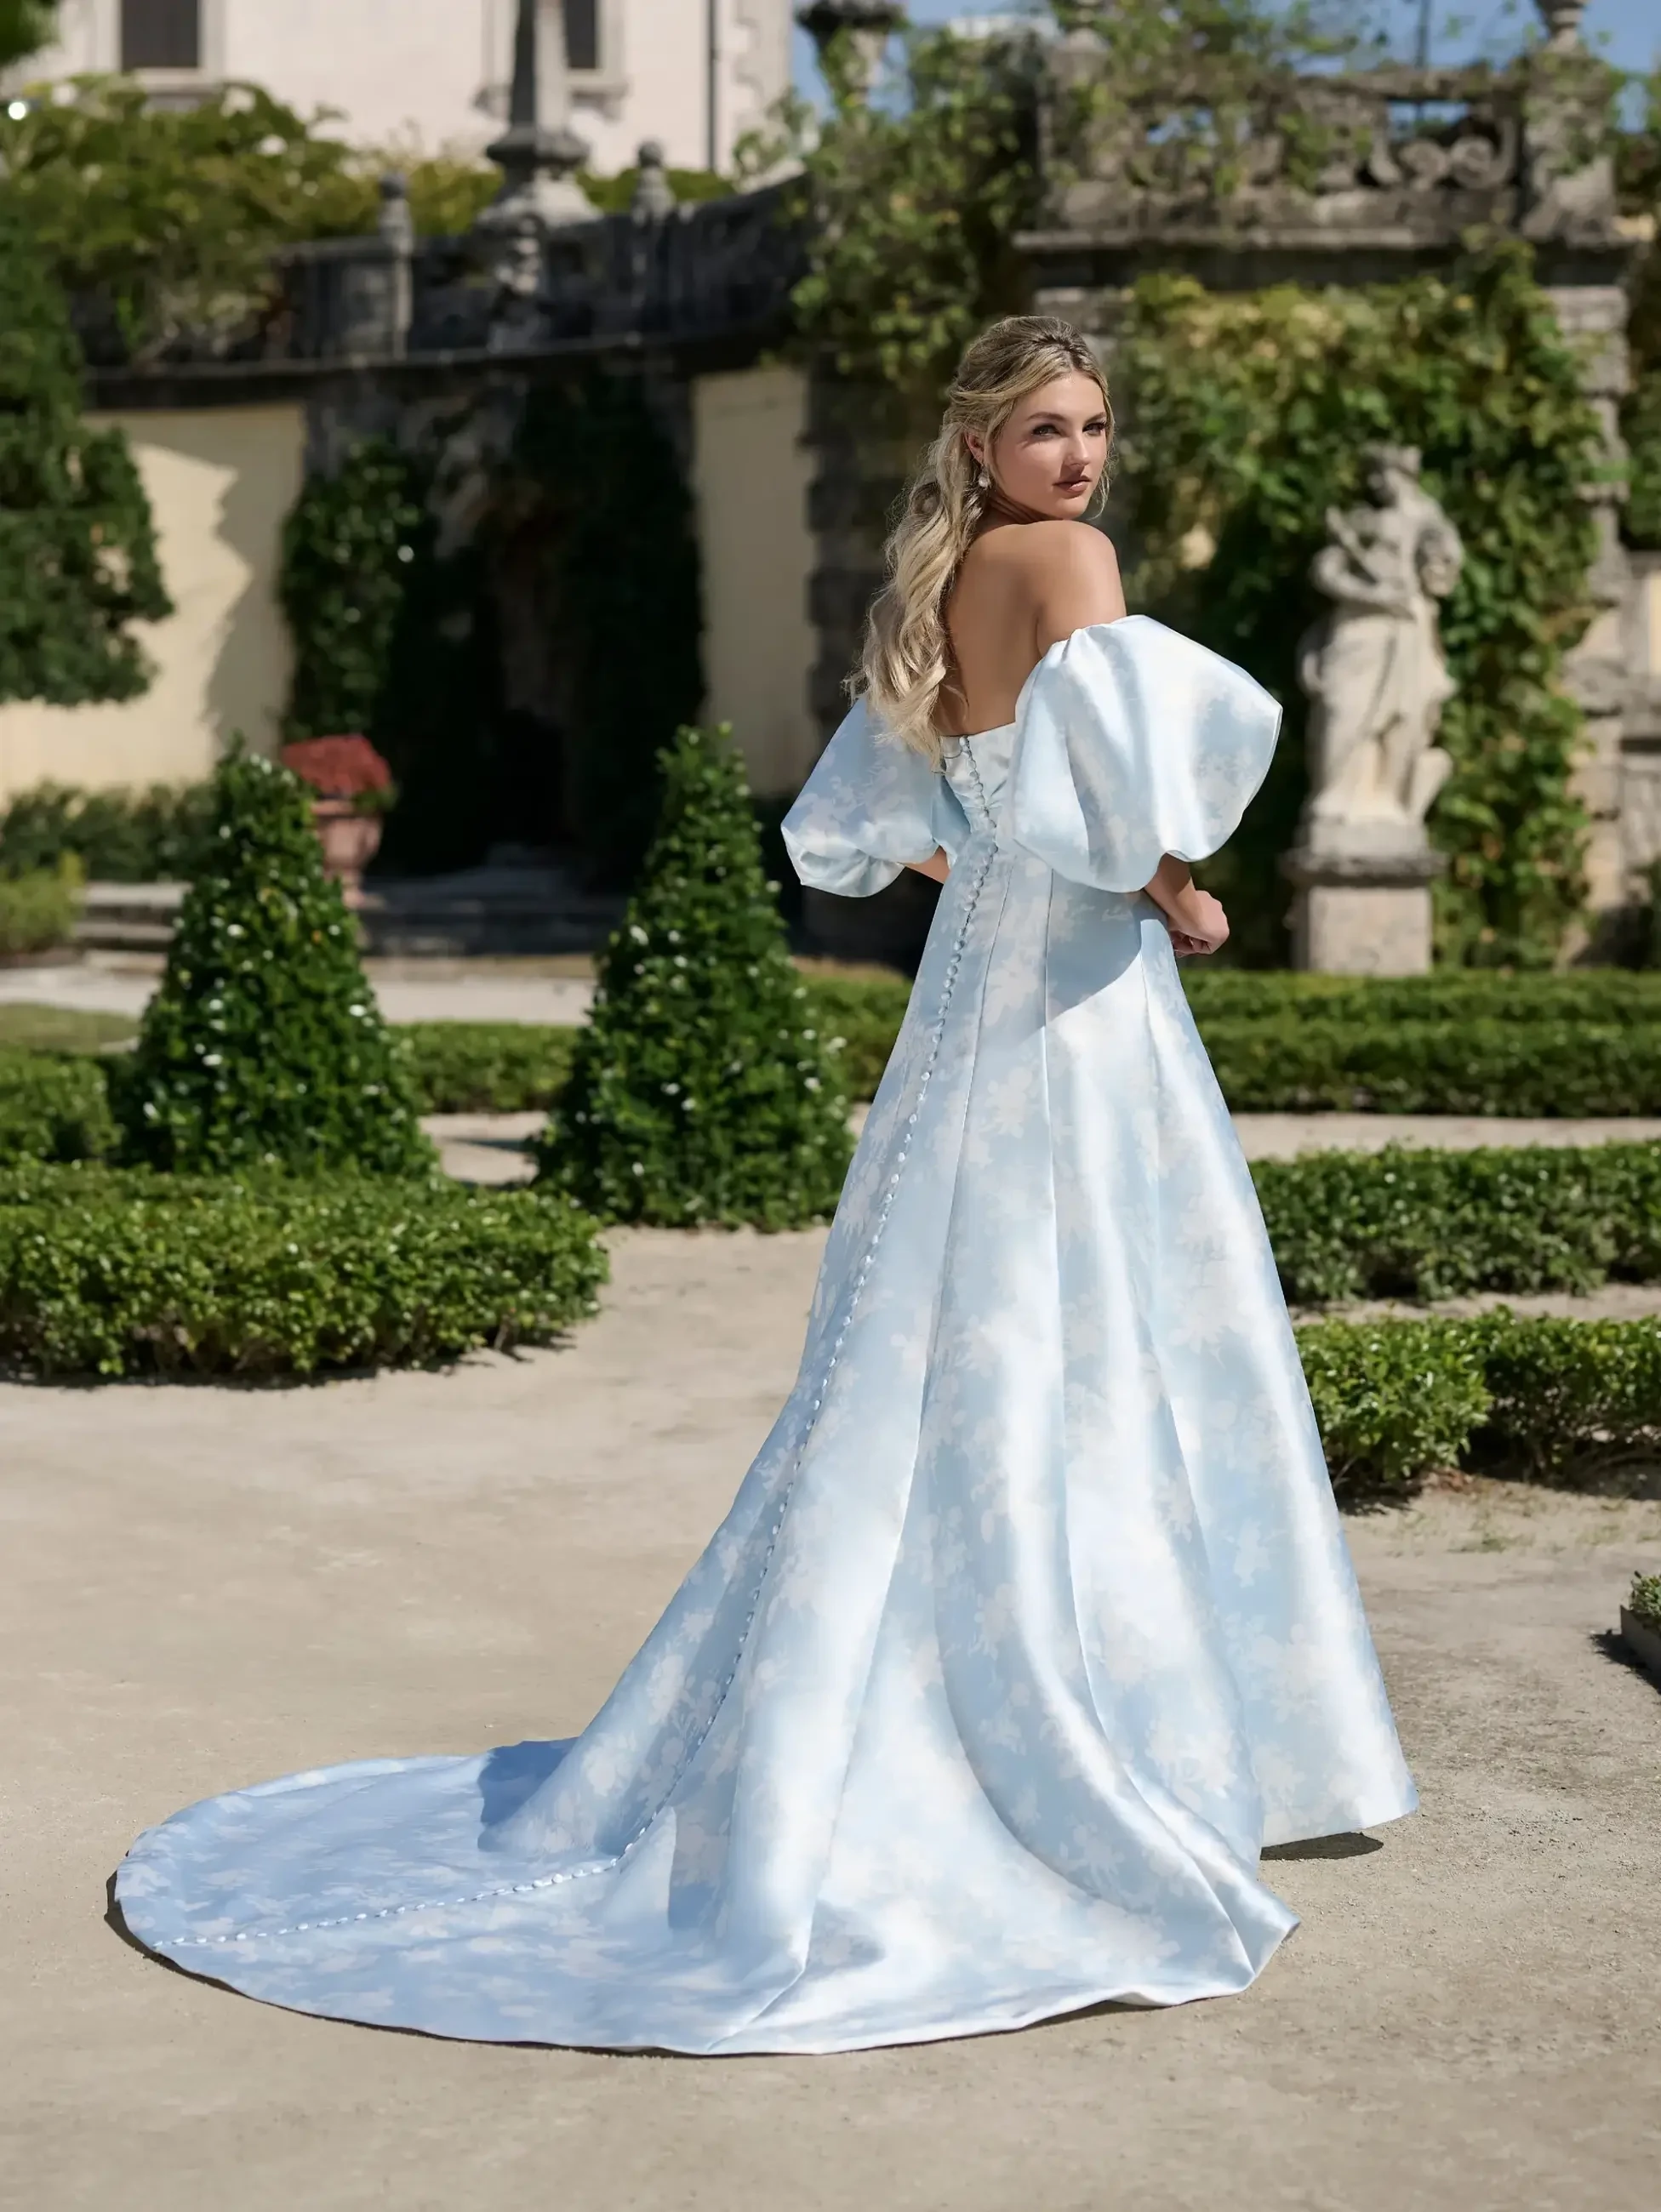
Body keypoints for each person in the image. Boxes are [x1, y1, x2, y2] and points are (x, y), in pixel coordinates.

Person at [116, 316, 1415, 2056]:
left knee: (947, 1345)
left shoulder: (944, 592)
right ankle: (1140, 1731)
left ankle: (954, 1702)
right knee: (1098, 1329)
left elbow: (880, 820)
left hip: (969, 984)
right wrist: (1172, 886)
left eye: (1095, 427)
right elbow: (1117, 781)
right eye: (1046, 429)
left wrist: (1012, 862)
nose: (1081, 459)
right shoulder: (1071, 565)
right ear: (979, 445)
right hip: (1076, 995)